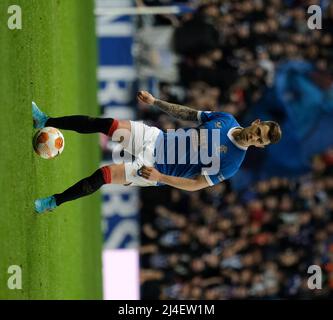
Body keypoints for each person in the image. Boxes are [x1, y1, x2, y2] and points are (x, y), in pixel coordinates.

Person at [33, 91, 282, 213]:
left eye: (260, 140)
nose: (255, 136)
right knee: (105, 124)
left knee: (104, 175)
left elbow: (195, 184)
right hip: (157, 138)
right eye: (258, 131)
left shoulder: (232, 163)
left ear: (260, 146)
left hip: (156, 169)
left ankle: (52, 202)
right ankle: (45, 121)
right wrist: (155, 102)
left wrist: (159, 178)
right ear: (257, 122)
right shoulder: (226, 119)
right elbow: (187, 114)